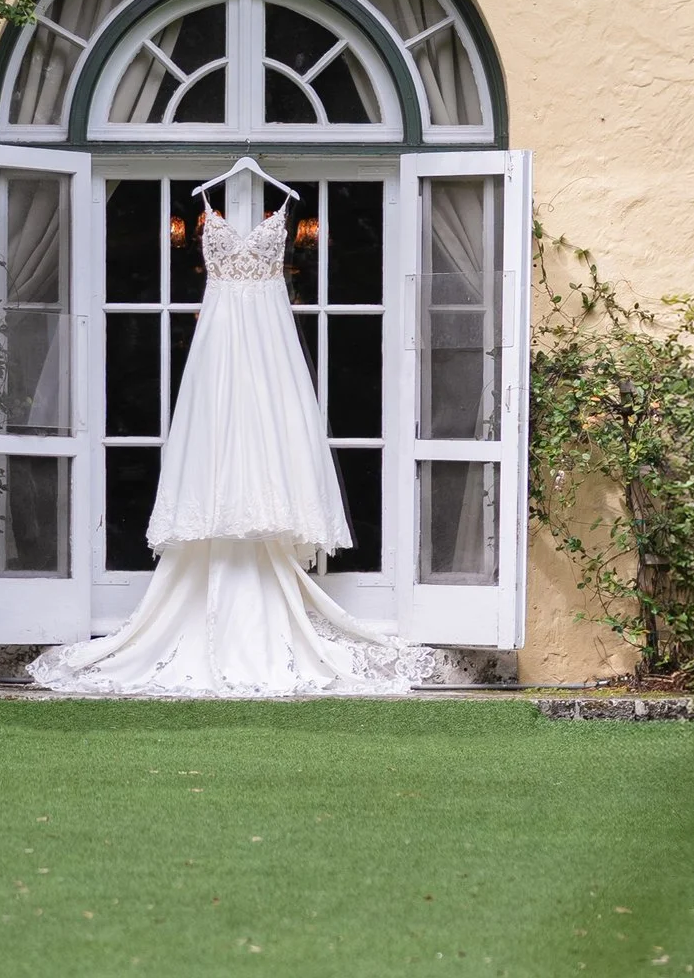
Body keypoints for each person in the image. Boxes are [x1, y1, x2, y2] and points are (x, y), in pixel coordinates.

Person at [31, 184, 437, 699]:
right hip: (219, 336)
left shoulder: (283, 212)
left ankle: (261, 587)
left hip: (270, 337)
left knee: (272, 429)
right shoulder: (209, 212)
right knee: (218, 432)